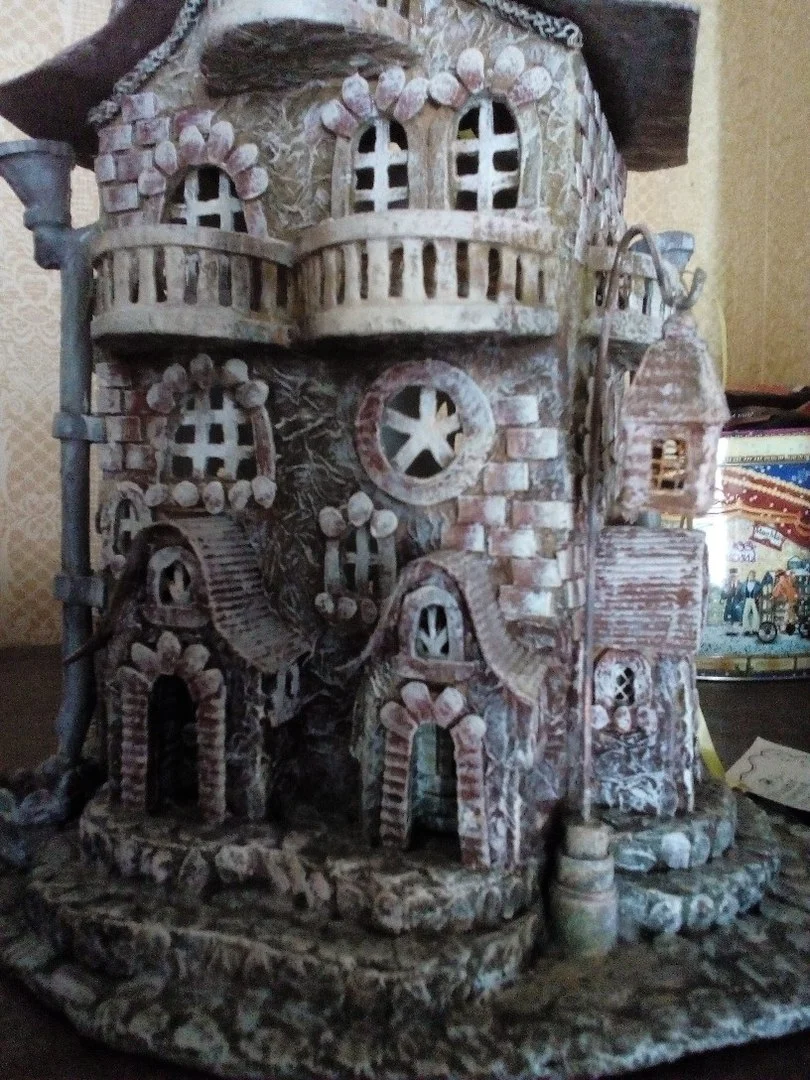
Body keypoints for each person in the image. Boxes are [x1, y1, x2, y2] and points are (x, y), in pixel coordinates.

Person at [721, 569, 744, 635]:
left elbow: (743, 595)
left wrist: (740, 603)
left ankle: (735, 630)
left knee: (737, 616)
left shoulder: (741, 585)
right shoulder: (726, 585)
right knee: (728, 616)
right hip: (729, 603)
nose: (733, 578)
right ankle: (729, 630)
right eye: (732, 576)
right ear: (729, 577)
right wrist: (728, 593)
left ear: (737, 576)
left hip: (737, 604)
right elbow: (723, 595)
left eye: (735, 576)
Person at [741, 570, 762, 635]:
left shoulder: (757, 584)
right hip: (747, 599)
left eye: (753, 575)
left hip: (754, 600)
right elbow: (742, 592)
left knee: (756, 614)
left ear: (754, 576)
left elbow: (760, 591)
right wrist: (743, 598)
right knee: (745, 614)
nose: (751, 576)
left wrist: (758, 597)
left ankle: (755, 629)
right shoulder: (744, 583)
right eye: (750, 575)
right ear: (748, 575)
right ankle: (746, 629)